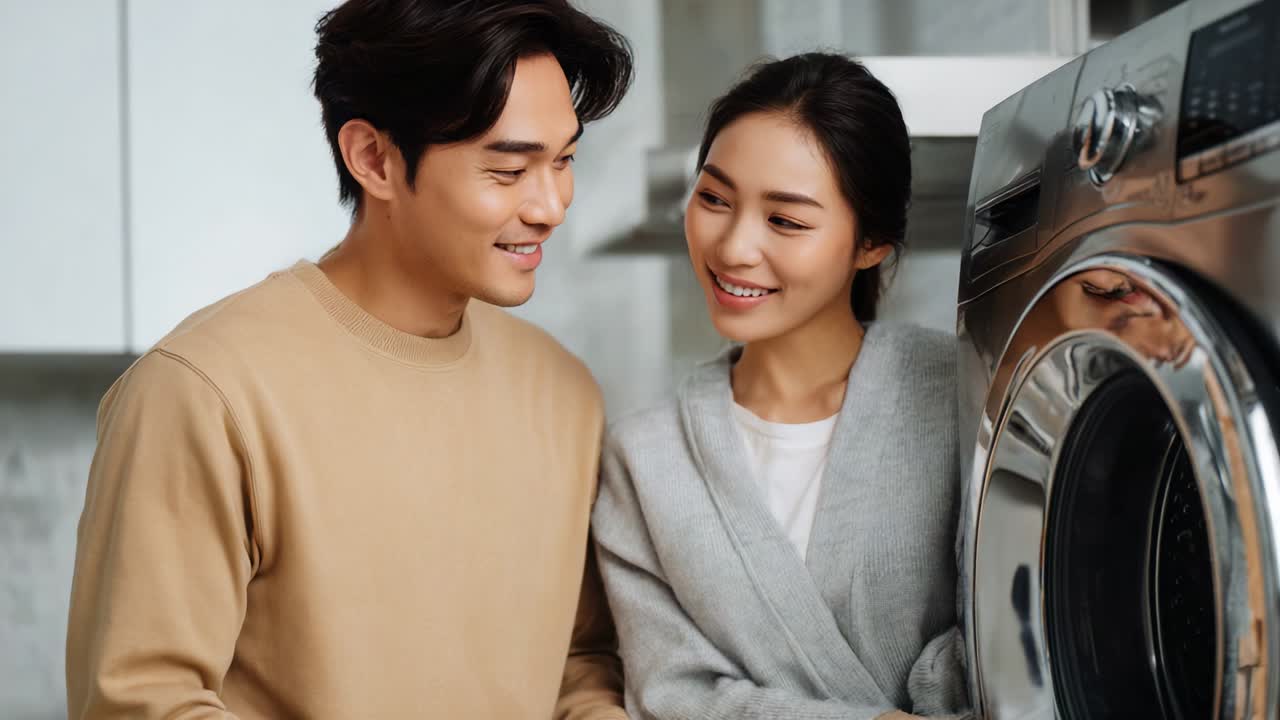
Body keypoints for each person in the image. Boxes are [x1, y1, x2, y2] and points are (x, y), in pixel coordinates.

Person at [66, 1, 633, 717]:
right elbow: (142, 702)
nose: (552, 204)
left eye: (564, 161)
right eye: (508, 169)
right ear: (373, 158)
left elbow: (578, 666)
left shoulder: (565, 394)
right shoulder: (202, 394)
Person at [592, 53, 972, 719]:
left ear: (872, 242)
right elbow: (670, 694)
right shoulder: (644, 458)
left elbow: (1023, 629)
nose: (734, 247)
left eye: (786, 220)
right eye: (713, 198)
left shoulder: (964, 395)